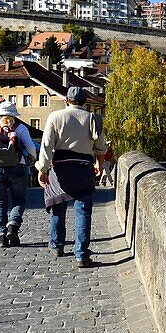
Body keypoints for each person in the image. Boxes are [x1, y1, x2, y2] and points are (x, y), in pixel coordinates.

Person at [36, 86, 107, 268]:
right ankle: (81, 254)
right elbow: (101, 145)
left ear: (66, 100)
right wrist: (99, 162)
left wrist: (42, 169)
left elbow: (46, 146)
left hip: (60, 169)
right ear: (85, 101)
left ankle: (57, 245)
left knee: (58, 209)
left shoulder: (55, 116)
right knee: (83, 211)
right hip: (83, 168)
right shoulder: (93, 118)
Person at [0, 100, 38, 247]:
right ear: (13, 115)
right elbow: (31, 147)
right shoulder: (20, 128)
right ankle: (13, 225)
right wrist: (31, 158)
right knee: (19, 200)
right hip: (18, 168)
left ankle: (2, 235)